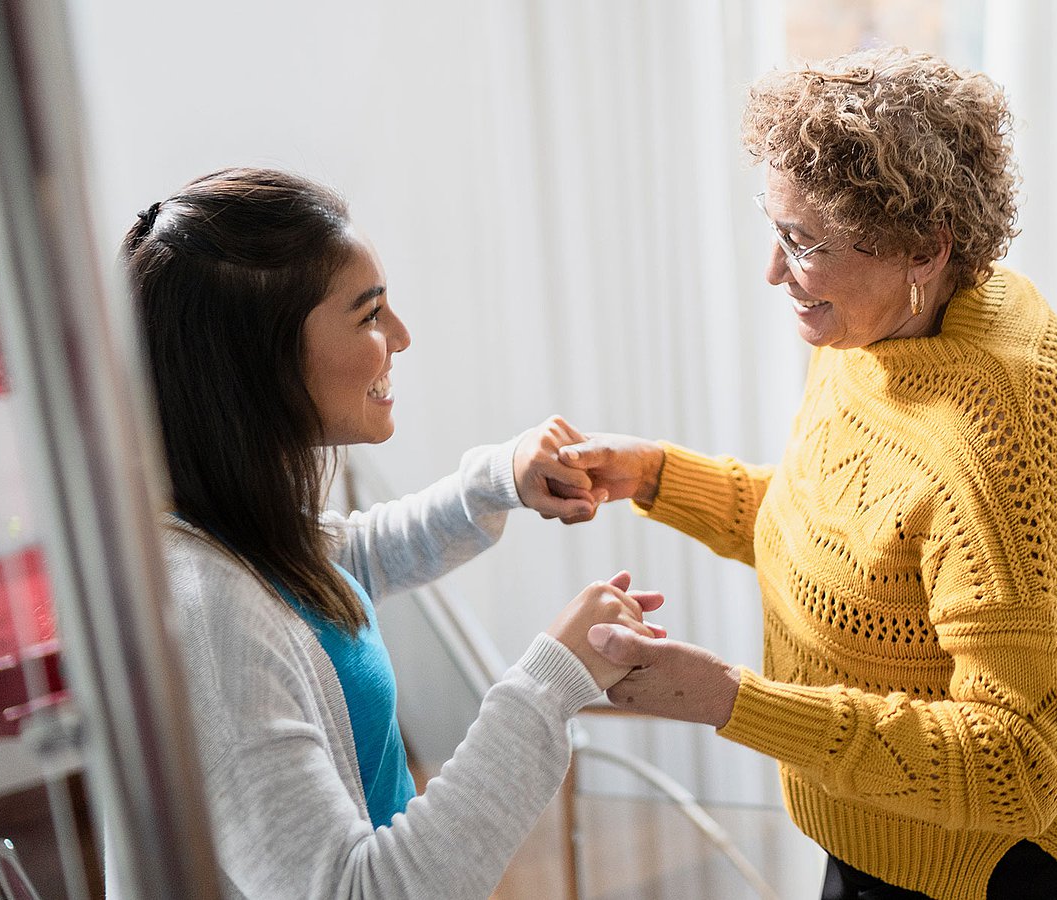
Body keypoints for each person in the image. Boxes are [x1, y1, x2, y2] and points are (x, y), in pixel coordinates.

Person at [559, 47, 1057, 900]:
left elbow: (1018, 762)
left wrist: (733, 701)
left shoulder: (1006, 436)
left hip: (987, 872)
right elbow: (848, 536)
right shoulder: (881, 331)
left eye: (802, 242)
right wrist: (653, 476)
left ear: (923, 249)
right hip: (882, 828)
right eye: (774, 226)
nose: (772, 270)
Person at [120, 166, 663, 899]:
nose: (401, 337)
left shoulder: (233, 527)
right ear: (262, 360)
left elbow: (352, 558)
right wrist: (548, 683)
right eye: (370, 314)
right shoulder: (211, 619)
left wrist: (501, 477)